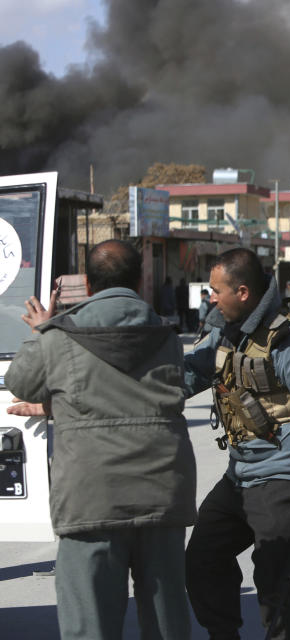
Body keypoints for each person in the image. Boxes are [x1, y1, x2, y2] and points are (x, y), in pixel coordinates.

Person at [5, 239, 197, 639]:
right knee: (167, 622)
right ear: (142, 281)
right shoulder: (167, 337)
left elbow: (20, 381)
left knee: (89, 624)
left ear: (88, 285)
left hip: (90, 497)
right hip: (162, 492)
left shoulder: (58, 337)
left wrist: (43, 330)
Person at [182, 248, 290, 640]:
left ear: (241, 292)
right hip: (239, 475)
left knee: (278, 586)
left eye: (216, 290)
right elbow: (184, 378)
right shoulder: (225, 333)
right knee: (203, 560)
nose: (211, 298)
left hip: (283, 478)